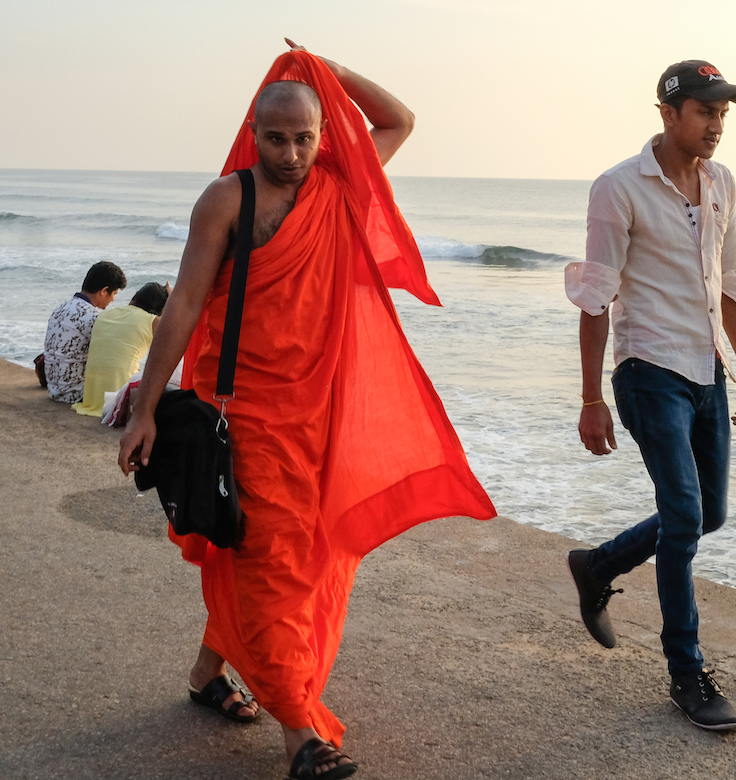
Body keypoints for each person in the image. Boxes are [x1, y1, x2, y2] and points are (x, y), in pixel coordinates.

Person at [117, 43, 495, 779]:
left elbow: (400, 119)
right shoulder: (226, 200)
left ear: (324, 136)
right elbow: (184, 306)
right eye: (276, 138)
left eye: (305, 137)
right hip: (245, 416)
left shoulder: (337, 186)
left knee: (277, 558)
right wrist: (146, 409)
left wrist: (328, 74)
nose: (291, 153)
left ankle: (204, 677)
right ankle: (299, 736)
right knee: (275, 565)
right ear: (252, 135)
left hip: (314, 414)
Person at [565, 60, 736, 732]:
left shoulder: (722, 184)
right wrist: (591, 398)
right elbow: (594, 295)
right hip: (648, 368)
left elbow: (728, 284)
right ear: (668, 114)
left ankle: (597, 565)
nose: (714, 126)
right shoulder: (618, 188)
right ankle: (687, 671)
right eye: (704, 112)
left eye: (723, 115)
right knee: (683, 514)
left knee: (708, 514)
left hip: (706, 370)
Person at [72, 282, 168, 418]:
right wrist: (171, 299)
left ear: (135, 296)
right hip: (119, 400)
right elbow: (173, 339)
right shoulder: (154, 321)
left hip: (91, 400)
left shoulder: (106, 314)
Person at [39, 261, 127, 403]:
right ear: (104, 291)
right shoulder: (92, 317)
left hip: (54, 389)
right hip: (76, 394)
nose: (113, 300)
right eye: (114, 294)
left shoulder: (60, 308)